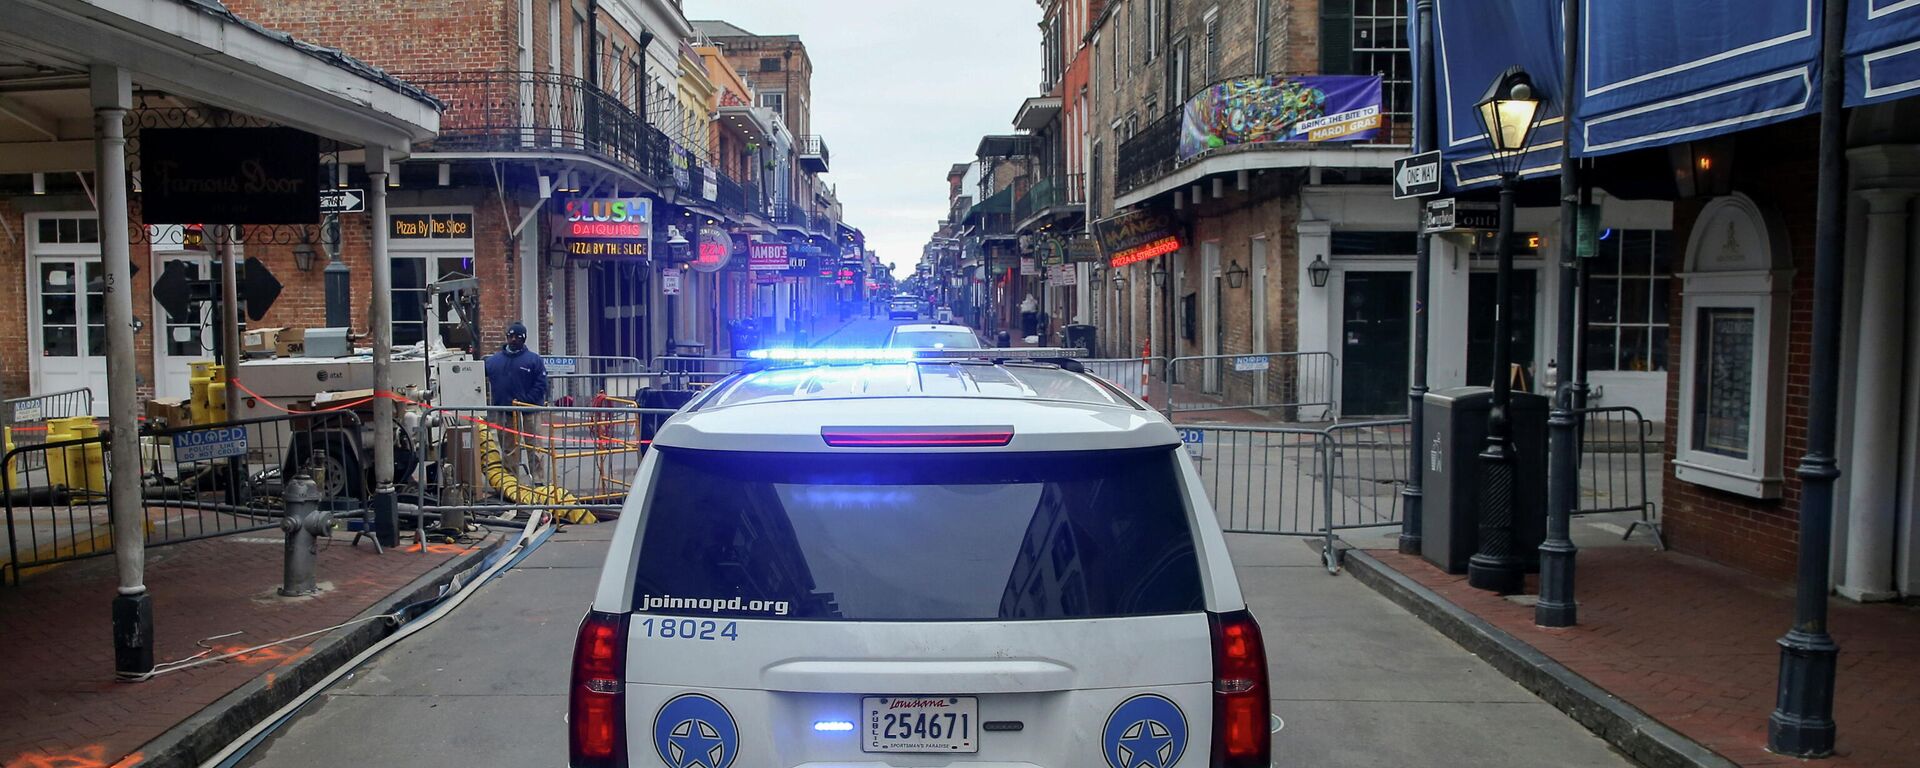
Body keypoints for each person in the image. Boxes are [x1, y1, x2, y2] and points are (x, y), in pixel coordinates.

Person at [484, 321, 548, 476]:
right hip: (505, 412)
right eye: (510, 336)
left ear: (523, 339)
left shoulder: (534, 360)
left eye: (517, 337)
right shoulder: (493, 361)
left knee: (535, 447)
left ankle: (538, 481)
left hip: (529, 412)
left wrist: (527, 400)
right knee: (508, 448)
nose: (513, 340)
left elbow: (541, 383)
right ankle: (511, 480)